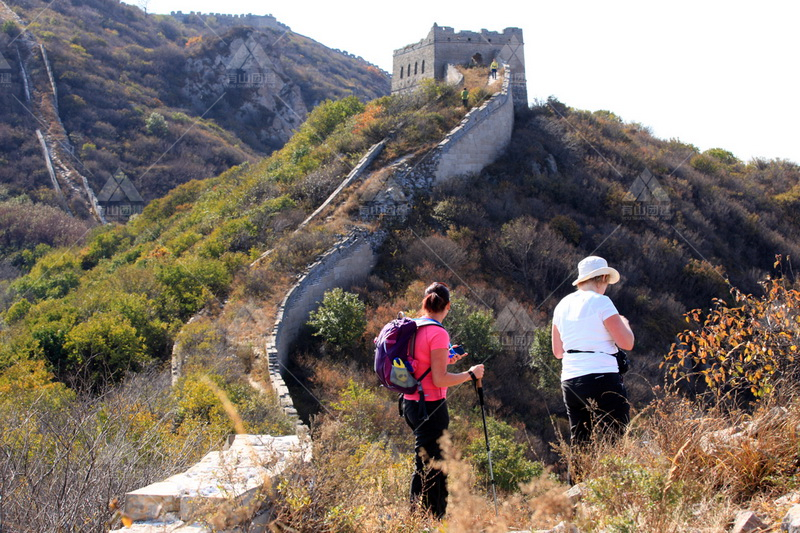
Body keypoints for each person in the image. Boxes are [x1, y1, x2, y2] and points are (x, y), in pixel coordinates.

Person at [403, 282, 485, 519]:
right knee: (434, 466)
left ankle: (419, 517)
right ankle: (431, 518)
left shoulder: (414, 326)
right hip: (430, 406)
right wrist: (471, 374)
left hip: (410, 403)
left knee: (426, 462)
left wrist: (449, 359)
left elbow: (423, 365)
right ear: (447, 306)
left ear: (425, 302)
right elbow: (439, 380)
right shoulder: (438, 332)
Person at [552, 256, 634, 448]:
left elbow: (557, 351)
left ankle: (578, 478)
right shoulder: (601, 302)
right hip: (602, 377)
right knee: (615, 438)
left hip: (571, 380)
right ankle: (611, 477)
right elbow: (627, 342)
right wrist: (624, 323)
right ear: (602, 278)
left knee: (580, 440)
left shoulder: (562, 305)